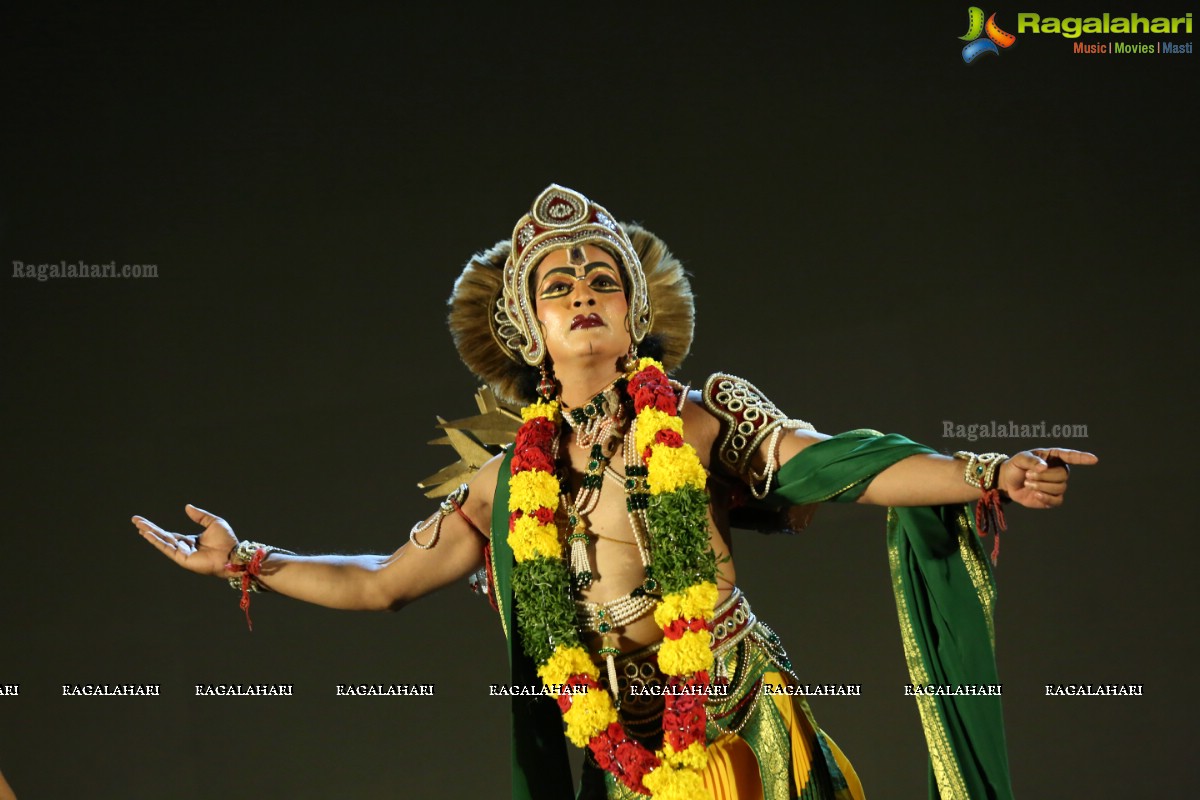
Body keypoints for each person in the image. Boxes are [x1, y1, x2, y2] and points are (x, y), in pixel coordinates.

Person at [134, 185, 1096, 800]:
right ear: (528, 329)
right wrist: (248, 560)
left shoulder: (701, 420)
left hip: (736, 720)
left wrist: (983, 470)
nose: (583, 290)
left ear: (635, 311)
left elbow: (840, 465)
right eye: (559, 285)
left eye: (603, 277)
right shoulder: (506, 480)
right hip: (619, 754)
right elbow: (382, 581)